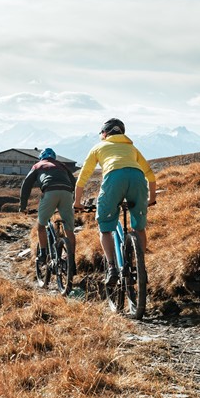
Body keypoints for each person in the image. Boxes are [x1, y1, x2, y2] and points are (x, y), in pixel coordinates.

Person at [73, 118, 157, 286]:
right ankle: (141, 267)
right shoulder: (131, 148)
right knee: (139, 227)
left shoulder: (98, 147)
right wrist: (152, 199)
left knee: (105, 228)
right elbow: (150, 175)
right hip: (137, 179)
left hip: (114, 179)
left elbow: (83, 175)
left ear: (105, 133)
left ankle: (112, 267)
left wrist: (77, 202)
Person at [18, 148, 77, 278]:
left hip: (50, 192)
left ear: (41, 158)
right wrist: (76, 201)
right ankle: (72, 260)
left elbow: (26, 185)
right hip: (67, 193)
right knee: (69, 229)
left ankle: (43, 254)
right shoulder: (62, 165)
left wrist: (22, 206)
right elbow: (75, 183)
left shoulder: (38, 165)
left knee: (41, 225)